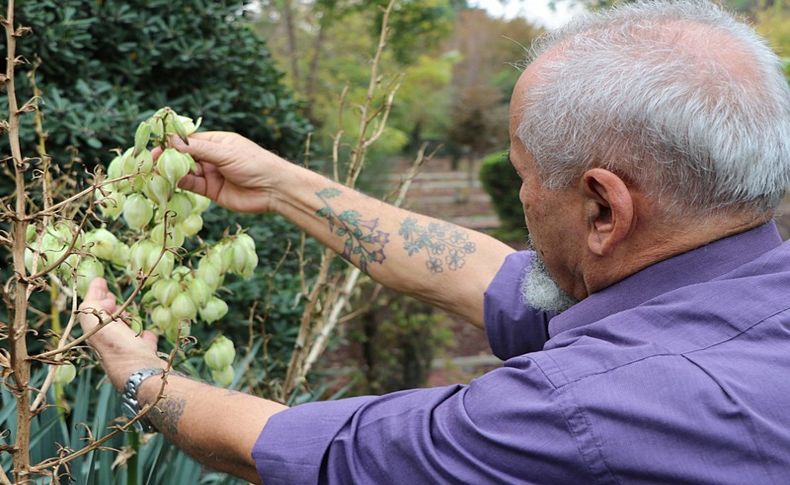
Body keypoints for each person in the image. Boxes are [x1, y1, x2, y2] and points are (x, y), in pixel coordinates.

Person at [79, 1, 790, 483]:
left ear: (604, 207)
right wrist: (279, 186)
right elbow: (486, 276)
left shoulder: (576, 409)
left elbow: (305, 450)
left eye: (524, 175)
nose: (522, 199)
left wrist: (135, 371)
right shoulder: (723, 287)